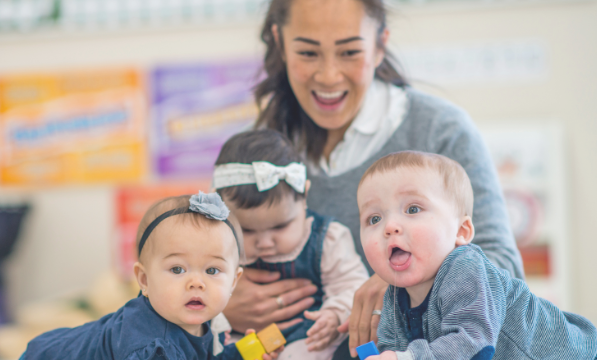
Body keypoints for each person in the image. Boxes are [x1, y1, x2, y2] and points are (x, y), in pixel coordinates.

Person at [223, 0, 524, 357]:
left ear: (380, 43)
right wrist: (220, 296)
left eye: (350, 51)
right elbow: (201, 250)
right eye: (307, 52)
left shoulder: (439, 131)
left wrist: (400, 277)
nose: (329, 76)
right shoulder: (255, 151)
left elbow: (503, 269)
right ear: (279, 41)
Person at [357, 151, 597, 359]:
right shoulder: (394, 296)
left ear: (461, 231)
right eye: (374, 219)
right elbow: (395, 348)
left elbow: (473, 344)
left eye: (412, 209)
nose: (390, 227)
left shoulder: (465, 267)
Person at [21, 192, 283, 360]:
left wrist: (243, 354)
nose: (196, 282)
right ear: (144, 280)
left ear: (234, 281)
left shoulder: (200, 320)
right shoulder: (152, 347)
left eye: (212, 270)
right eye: (177, 269)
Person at [211, 129, 368, 359]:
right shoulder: (213, 243)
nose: (265, 243)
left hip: (308, 342)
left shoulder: (327, 239)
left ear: (304, 196)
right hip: (240, 343)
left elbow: (354, 287)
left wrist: (335, 315)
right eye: (247, 230)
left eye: (280, 227)